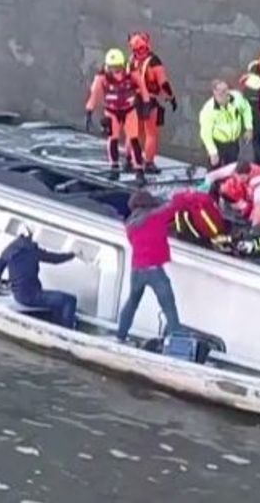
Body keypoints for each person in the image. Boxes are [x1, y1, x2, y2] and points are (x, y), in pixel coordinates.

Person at [116, 189, 203, 343]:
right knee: (168, 306)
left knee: (132, 302)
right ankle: (177, 341)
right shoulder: (155, 217)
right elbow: (177, 205)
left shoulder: (130, 224)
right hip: (154, 270)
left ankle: (120, 335)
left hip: (136, 269)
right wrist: (185, 192)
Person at [0, 225, 78, 329]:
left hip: (18, 295)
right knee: (69, 300)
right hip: (31, 296)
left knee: (56, 303)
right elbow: (55, 259)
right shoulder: (32, 250)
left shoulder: (9, 249)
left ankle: (57, 324)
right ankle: (66, 332)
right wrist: (72, 255)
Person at [85, 48, 151, 185]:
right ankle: (114, 167)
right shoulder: (101, 77)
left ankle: (139, 170)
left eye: (119, 67)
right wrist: (89, 112)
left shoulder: (131, 73)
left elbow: (143, 89)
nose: (116, 72)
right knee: (113, 138)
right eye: (113, 68)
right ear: (107, 66)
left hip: (129, 109)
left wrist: (146, 105)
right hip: (111, 110)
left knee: (134, 139)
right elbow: (94, 94)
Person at [127, 31, 177, 175]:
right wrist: (171, 97)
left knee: (134, 133)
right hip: (149, 100)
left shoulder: (131, 60)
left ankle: (129, 160)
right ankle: (148, 162)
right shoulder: (153, 61)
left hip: (132, 99)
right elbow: (163, 82)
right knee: (151, 134)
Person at [202, 160, 260, 228]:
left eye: (240, 177)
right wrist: (203, 189)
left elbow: (258, 209)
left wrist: (255, 228)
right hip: (248, 187)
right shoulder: (235, 168)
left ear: (247, 175)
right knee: (227, 187)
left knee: (259, 219)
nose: (238, 179)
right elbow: (212, 176)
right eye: (236, 176)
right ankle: (242, 206)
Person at [198, 79, 253, 168]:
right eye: (221, 91)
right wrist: (213, 152)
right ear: (215, 92)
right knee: (215, 170)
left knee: (231, 168)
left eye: (226, 90)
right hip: (217, 144)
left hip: (233, 143)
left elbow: (246, 109)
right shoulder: (208, 110)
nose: (225, 94)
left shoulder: (237, 98)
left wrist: (249, 127)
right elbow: (205, 133)